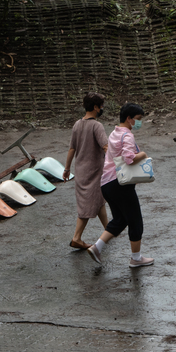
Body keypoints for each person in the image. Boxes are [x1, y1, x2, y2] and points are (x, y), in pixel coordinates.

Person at [87, 103, 154, 268]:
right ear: (129, 118)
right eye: (137, 119)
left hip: (107, 184)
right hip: (120, 184)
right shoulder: (127, 135)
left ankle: (97, 247)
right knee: (135, 220)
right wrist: (143, 154)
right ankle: (136, 258)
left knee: (121, 219)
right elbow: (129, 158)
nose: (139, 123)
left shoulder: (114, 133)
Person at [64, 92, 109, 250]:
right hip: (95, 172)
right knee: (87, 206)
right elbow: (105, 146)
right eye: (101, 105)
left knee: (98, 200)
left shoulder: (77, 124)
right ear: (96, 107)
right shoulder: (96, 126)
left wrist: (67, 168)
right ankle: (76, 238)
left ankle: (109, 229)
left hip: (81, 171)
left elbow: (72, 148)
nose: (103, 108)